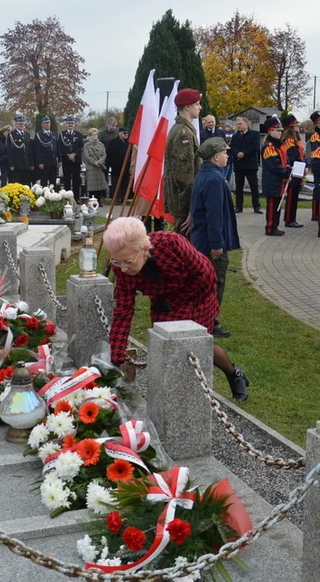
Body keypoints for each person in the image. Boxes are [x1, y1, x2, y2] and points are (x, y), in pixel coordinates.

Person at [104, 217, 249, 401]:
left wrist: (179, 302)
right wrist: (115, 359)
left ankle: (234, 375)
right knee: (165, 343)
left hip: (198, 293)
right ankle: (174, 395)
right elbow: (123, 312)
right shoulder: (122, 269)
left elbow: (205, 274)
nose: (123, 269)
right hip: (163, 299)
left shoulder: (171, 243)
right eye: (117, 262)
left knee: (194, 343)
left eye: (128, 262)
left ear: (144, 249)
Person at [190, 137, 240, 340]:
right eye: (225, 153)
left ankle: (203, 318)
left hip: (202, 239)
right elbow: (214, 214)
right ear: (216, 156)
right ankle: (209, 321)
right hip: (210, 242)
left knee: (205, 281)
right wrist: (217, 243)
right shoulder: (214, 179)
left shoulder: (206, 174)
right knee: (215, 282)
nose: (228, 156)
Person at [164, 88, 203, 233]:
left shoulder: (184, 129)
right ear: (187, 107)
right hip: (184, 204)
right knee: (184, 248)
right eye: (197, 104)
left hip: (184, 202)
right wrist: (191, 208)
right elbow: (184, 176)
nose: (200, 107)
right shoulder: (183, 134)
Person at [260, 117, 289, 236]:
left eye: (281, 131)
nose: (280, 133)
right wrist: (286, 172)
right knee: (272, 206)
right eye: (277, 130)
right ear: (270, 131)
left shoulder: (277, 145)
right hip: (272, 180)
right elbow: (274, 165)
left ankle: (275, 226)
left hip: (278, 180)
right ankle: (270, 228)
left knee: (277, 205)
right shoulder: (269, 146)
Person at [231, 116, 261, 213]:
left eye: (240, 124)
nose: (238, 126)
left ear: (246, 124)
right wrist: (237, 153)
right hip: (239, 165)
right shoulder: (235, 136)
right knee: (239, 187)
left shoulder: (255, 134)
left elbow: (255, 146)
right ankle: (239, 206)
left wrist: (244, 153)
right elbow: (232, 148)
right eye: (237, 124)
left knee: (254, 187)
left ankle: (256, 206)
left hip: (250, 164)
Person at [281, 115, 305, 229]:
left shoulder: (295, 139)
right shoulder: (289, 140)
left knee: (294, 195)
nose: (297, 127)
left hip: (298, 168)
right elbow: (293, 156)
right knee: (291, 196)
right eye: (295, 125)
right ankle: (290, 219)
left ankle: (291, 218)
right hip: (294, 169)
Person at [59, 116, 84, 198]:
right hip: (66, 161)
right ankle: (67, 198)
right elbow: (60, 147)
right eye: (69, 123)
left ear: (74, 124)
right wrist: (68, 155)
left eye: (72, 123)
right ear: (66, 124)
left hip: (76, 160)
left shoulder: (79, 134)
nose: (70, 125)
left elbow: (81, 147)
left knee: (76, 180)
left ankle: (76, 198)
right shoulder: (62, 135)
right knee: (67, 180)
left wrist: (74, 155)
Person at [31, 116, 59, 186]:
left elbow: (57, 148)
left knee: (53, 181)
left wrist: (60, 160)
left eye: (49, 122)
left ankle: (53, 196)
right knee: (44, 181)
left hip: (53, 162)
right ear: (42, 124)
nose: (47, 124)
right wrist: (40, 162)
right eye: (45, 123)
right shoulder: (39, 135)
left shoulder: (53, 134)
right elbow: (37, 150)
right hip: (44, 162)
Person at [106, 125, 131, 202]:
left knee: (125, 183)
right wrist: (108, 165)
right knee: (116, 183)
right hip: (116, 166)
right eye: (124, 133)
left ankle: (124, 197)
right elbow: (109, 154)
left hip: (126, 166)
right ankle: (116, 197)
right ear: (119, 133)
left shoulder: (128, 143)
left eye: (127, 133)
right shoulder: (113, 142)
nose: (126, 135)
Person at [83, 127, 108, 200]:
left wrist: (100, 162)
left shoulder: (101, 145)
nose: (95, 136)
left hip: (99, 167)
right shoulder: (86, 145)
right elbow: (87, 156)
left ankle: (99, 200)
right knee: (92, 186)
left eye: (96, 134)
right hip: (91, 167)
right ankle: (92, 200)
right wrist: (94, 162)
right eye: (93, 135)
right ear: (90, 136)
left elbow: (104, 155)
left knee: (99, 185)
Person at [7, 116, 32, 185]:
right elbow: (9, 151)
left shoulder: (27, 134)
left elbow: (29, 150)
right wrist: (11, 164)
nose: (22, 125)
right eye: (20, 124)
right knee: (17, 183)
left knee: (26, 184)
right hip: (17, 164)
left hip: (26, 164)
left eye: (23, 124)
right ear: (16, 124)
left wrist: (31, 163)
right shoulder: (11, 135)